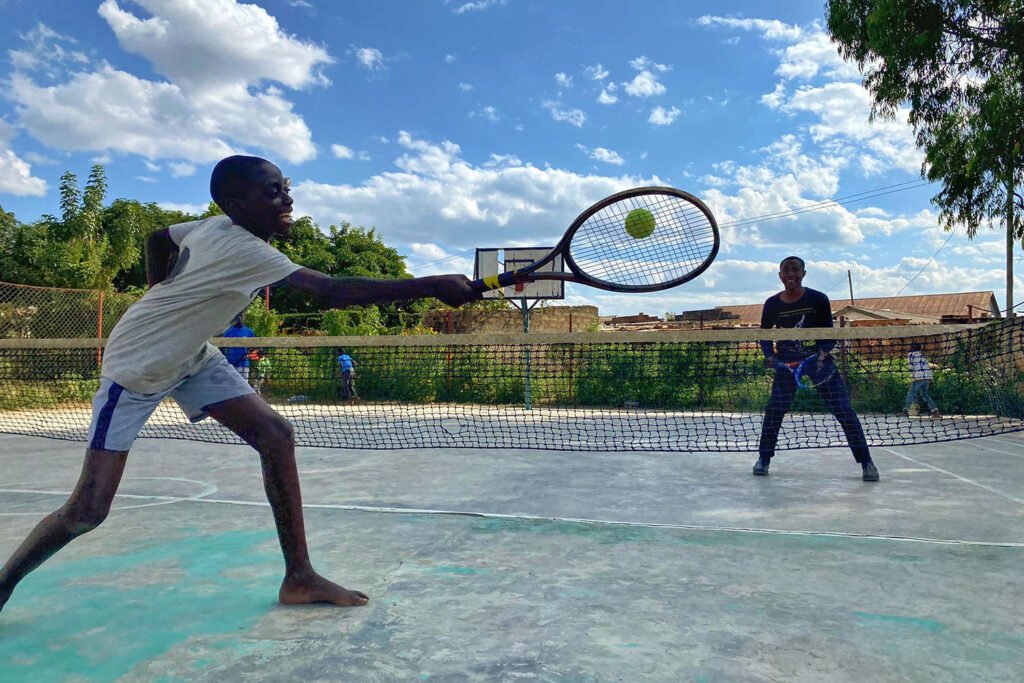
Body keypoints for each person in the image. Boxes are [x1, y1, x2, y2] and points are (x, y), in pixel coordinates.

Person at [0, 155, 480, 613]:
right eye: (273, 193)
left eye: (286, 188)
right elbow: (332, 291)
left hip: (191, 355)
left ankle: (299, 578)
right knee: (87, 510)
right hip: (138, 365)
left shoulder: (212, 227)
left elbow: (157, 238)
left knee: (275, 436)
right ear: (237, 206)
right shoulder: (243, 247)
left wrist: (161, 288)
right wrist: (429, 282)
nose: (287, 200)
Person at [753, 256, 879, 482]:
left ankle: (866, 462)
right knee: (774, 411)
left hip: (818, 363)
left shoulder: (819, 299)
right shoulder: (772, 304)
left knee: (844, 410)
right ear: (780, 276)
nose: (791, 274)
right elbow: (764, 336)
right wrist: (770, 356)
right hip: (787, 365)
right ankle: (764, 459)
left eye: (795, 270)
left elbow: (829, 335)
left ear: (803, 273)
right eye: (786, 271)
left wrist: (821, 355)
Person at [903, 342, 940, 418]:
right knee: (924, 394)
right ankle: (935, 411)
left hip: (919, 377)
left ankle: (906, 410)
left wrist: (913, 377)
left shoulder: (911, 355)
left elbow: (911, 366)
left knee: (912, 393)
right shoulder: (922, 355)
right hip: (927, 376)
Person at [222, 316, 255, 380]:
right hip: (231, 364)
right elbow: (222, 348)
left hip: (244, 364)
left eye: (241, 316)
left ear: (244, 317)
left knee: (244, 386)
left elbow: (254, 347)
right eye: (237, 316)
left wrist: (247, 353)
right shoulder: (228, 332)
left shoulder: (249, 332)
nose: (239, 318)